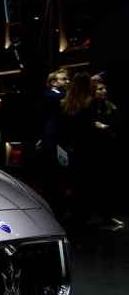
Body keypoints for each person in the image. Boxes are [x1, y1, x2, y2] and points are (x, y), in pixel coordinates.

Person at [58, 72, 99, 229]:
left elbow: (63, 127)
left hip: (70, 147)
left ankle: (73, 215)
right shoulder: (90, 102)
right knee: (86, 183)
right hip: (87, 147)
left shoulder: (66, 102)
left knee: (73, 181)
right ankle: (83, 216)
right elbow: (90, 127)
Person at [90, 77, 124, 230]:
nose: (103, 91)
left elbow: (116, 124)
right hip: (95, 149)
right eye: (99, 89)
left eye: (104, 89)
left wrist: (106, 127)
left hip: (109, 148)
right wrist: (101, 126)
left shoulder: (111, 106)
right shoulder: (90, 107)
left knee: (109, 183)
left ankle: (108, 216)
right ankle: (98, 217)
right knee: (98, 183)